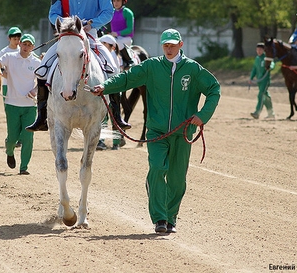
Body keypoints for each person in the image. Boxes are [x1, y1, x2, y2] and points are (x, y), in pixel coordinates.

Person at [91, 28, 221, 234]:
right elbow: (127, 78)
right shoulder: (151, 66)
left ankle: (171, 218)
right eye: (165, 45)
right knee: (158, 169)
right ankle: (160, 218)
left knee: (177, 179)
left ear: (181, 44)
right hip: (157, 132)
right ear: (162, 46)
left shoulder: (193, 70)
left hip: (183, 132)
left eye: (172, 45)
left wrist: (202, 116)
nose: (169, 49)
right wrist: (104, 87)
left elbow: (214, 89)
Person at [26, 0, 130, 132]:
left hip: (90, 36)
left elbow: (107, 11)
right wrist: (65, 25)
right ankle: (41, 116)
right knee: (41, 70)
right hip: (67, 37)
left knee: (114, 69)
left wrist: (92, 23)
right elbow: (53, 13)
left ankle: (116, 116)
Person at [0, 34, 40, 174]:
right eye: (24, 44)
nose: (26, 47)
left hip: (30, 106)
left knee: (28, 137)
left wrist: (35, 90)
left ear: (33, 47)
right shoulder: (10, 57)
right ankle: (9, 151)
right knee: (12, 138)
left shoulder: (36, 62)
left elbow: (43, 82)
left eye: (29, 45)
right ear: (19, 44)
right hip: (12, 104)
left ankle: (23, 167)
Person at [96, 34, 122, 150]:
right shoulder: (111, 55)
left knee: (111, 116)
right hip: (107, 89)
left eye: (103, 43)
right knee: (109, 116)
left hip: (111, 89)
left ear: (109, 45)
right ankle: (112, 142)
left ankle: (110, 141)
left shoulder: (111, 55)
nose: (101, 45)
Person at [110, 0, 135, 69]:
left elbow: (129, 29)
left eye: (118, 1)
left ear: (123, 2)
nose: (116, 3)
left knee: (117, 43)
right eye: (114, 1)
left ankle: (129, 60)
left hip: (126, 39)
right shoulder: (111, 12)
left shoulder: (128, 12)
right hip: (115, 38)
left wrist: (117, 33)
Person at [248, 42, 275, 119]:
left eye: (260, 49)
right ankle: (271, 113)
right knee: (266, 97)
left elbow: (272, 64)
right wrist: (251, 78)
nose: (259, 51)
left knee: (260, 95)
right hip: (259, 81)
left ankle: (257, 112)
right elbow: (254, 69)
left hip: (265, 80)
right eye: (257, 49)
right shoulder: (257, 59)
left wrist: (270, 67)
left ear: (263, 50)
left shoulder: (266, 58)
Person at [0, 27, 22, 97]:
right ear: (9, 39)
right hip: (7, 84)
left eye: (18, 39)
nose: (17, 41)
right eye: (14, 39)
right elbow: (1, 71)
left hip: (21, 85)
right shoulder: (4, 52)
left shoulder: (23, 51)